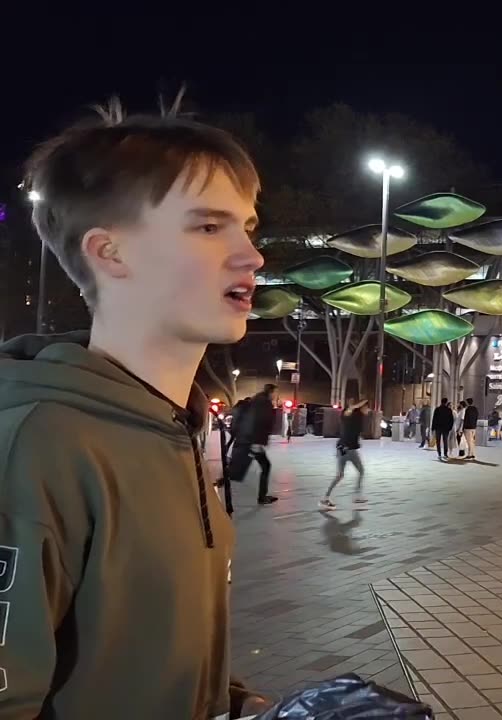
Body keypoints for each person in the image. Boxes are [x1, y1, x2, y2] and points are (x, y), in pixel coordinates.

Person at [0, 106, 273, 717]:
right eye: (208, 227)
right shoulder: (38, 444)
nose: (251, 255)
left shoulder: (169, 429)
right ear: (109, 252)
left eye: (247, 227)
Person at [228, 383, 279, 505]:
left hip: (248, 440)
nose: (276, 395)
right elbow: (259, 422)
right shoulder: (264, 403)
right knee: (264, 466)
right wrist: (257, 442)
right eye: (276, 392)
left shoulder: (257, 400)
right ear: (271, 392)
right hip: (252, 441)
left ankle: (221, 481)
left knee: (240, 467)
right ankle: (262, 497)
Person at [320, 399, 368, 510]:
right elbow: (349, 411)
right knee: (341, 475)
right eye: (367, 407)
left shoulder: (358, 418)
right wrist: (357, 404)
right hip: (345, 449)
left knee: (359, 471)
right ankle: (325, 499)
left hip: (350, 450)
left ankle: (355, 496)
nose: (368, 410)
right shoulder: (348, 415)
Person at [462, 396, 480, 460]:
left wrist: (463, 427)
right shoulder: (475, 409)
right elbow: (476, 417)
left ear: (467, 403)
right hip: (473, 427)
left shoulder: (468, 409)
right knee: (472, 441)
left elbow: (466, 419)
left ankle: (469, 454)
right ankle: (472, 454)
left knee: (469, 441)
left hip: (468, 427)